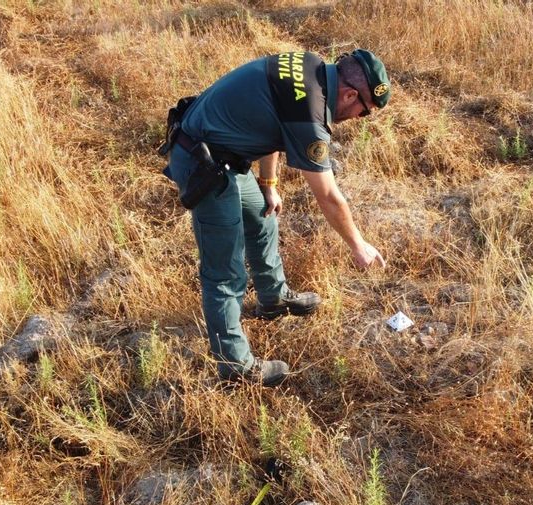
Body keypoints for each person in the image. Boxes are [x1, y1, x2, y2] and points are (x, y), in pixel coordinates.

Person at [162, 49, 391, 387]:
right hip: (203, 161)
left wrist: (269, 185)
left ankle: (273, 299)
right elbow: (328, 196)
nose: (359, 118)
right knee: (225, 273)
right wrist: (358, 245)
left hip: (225, 151)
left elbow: (271, 122)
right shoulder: (312, 114)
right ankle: (235, 368)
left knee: (263, 215)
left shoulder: (311, 66)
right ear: (349, 94)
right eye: (364, 112)